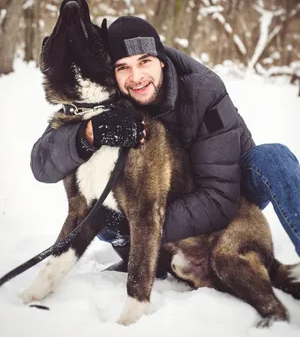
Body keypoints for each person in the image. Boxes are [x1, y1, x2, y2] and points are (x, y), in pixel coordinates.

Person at [31, 16, 300, 274]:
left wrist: (143, 225)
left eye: (144, 61)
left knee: (272, 158)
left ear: (160, 60)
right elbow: (43, 165)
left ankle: (149, 245)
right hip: (155, 203)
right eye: (122, 67)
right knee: (98, 194)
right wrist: (86, 134)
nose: (136, 77)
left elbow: (219, 198)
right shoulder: (106, 96)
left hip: (230, 198)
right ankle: (151, 260)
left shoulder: (203, 90)